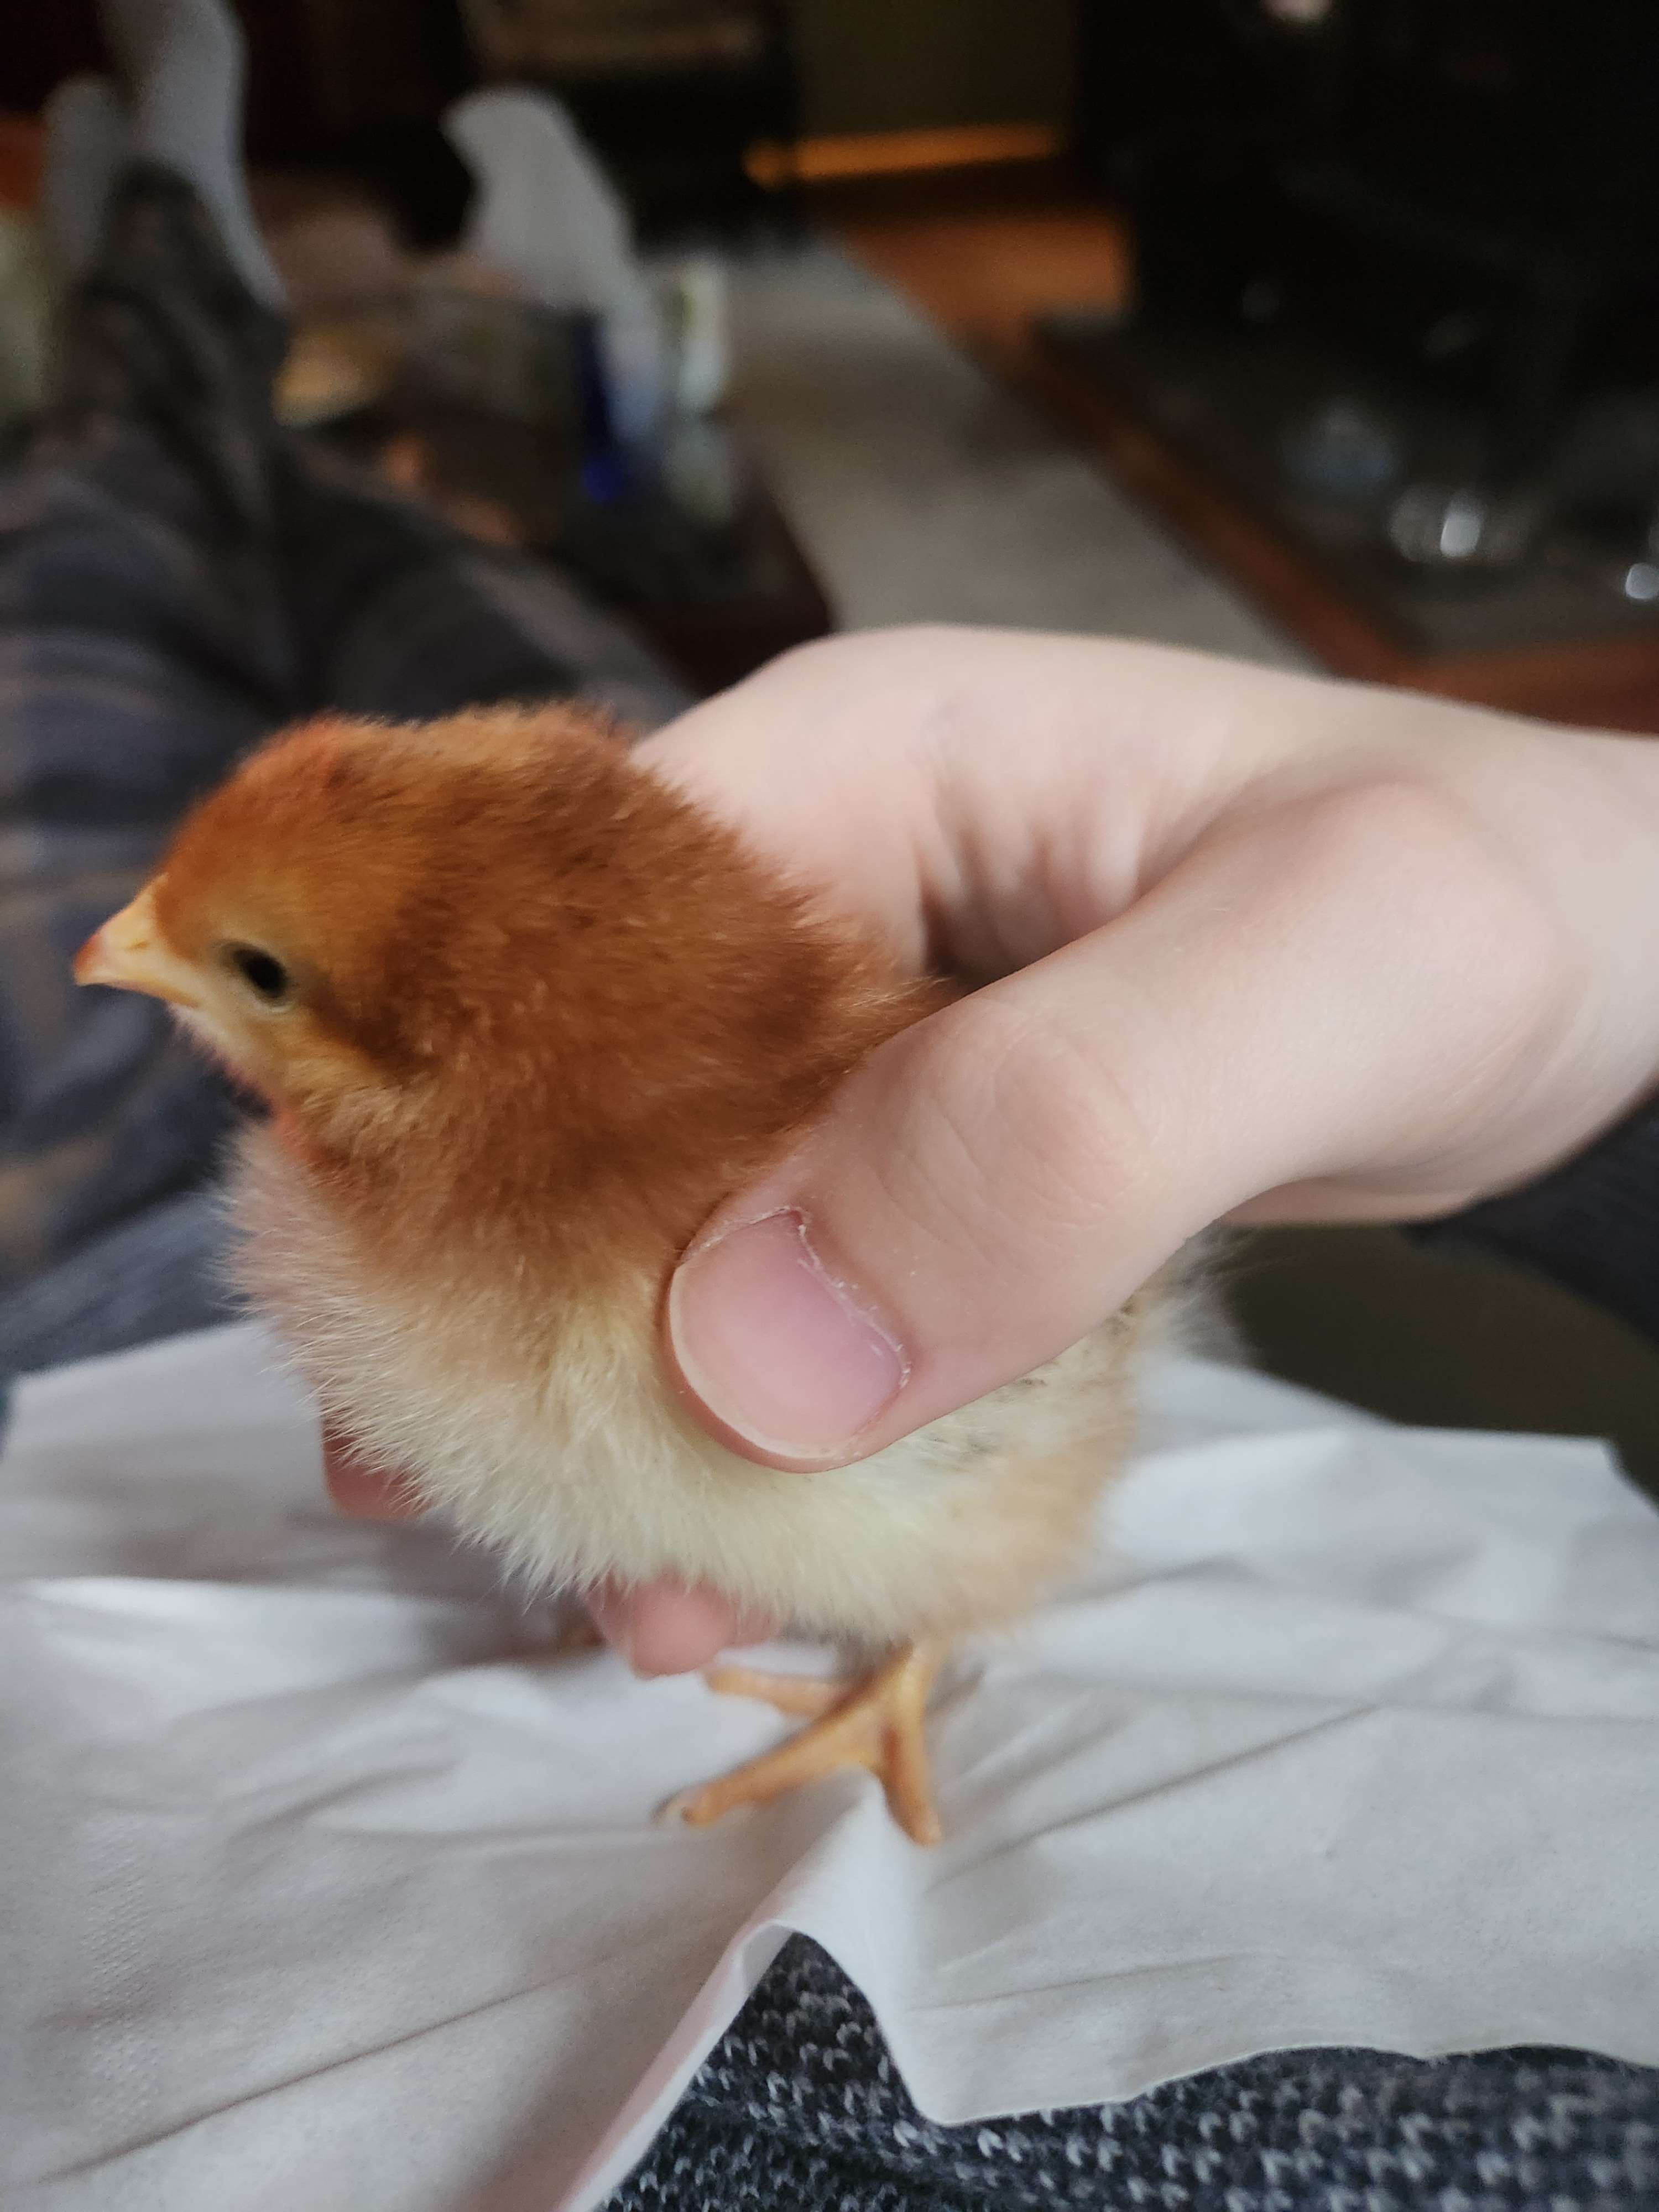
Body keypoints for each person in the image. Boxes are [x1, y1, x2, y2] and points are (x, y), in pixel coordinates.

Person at [5, 3, 1656, 2204]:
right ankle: (238, 364)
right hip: (407, 1079)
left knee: (80, 638)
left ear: (421, 1065)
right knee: (453, 604)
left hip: (87, 1293)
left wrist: (907, 1653)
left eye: (248, 978)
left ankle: (170, 351)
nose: (137, 945)